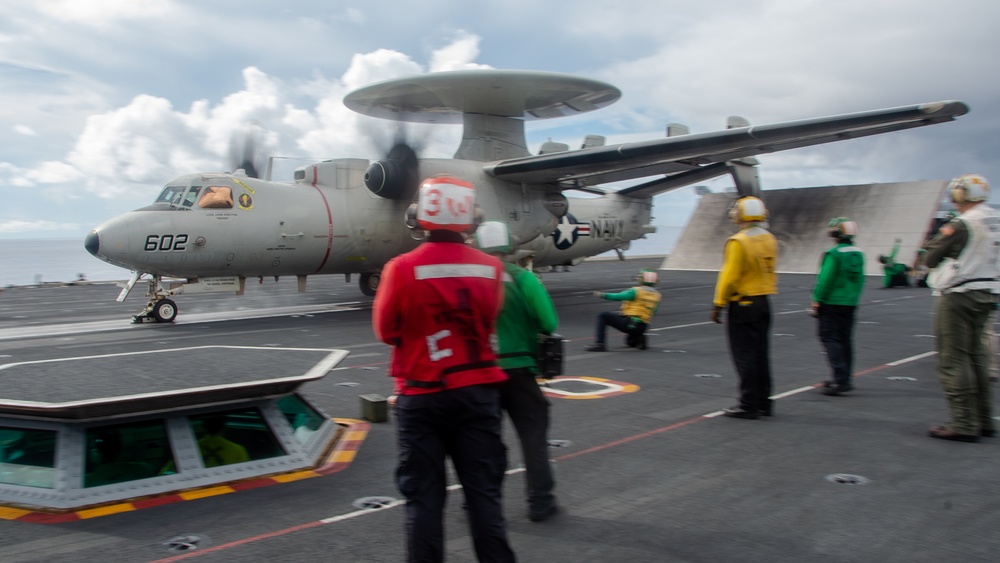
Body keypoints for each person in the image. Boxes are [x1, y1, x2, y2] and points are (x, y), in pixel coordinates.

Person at [373, 176, 516, 562]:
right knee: (484, 497)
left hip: (422, 396)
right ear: (471, 219)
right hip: (478, 394)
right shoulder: (491, 268)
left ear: (420, 217)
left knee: (424, 501)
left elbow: (386, 331)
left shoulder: (400, 268)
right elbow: (490, 318)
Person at [475, 220, 560, 523]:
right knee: (533, 436)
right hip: (520, 371)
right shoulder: (523, 278)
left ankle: (479, 504)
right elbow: (549, 322)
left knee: (483, 442)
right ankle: (540, 501)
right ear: (508, 246)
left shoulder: (470, 280)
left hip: (480, 374)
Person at [922, 173, 999, 443]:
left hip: (959, 293)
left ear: (960, 195)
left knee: (953, 360)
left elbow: (930, 256)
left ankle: (963, 423)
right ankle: (984, 419)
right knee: (977, 356)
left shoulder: (963, 223)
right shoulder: (994, 219)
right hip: (987, 293)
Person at [711, 196, 779, 419]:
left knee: (745, 356)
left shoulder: (738, 241)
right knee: (761, 354)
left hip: (743, 304)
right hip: (763, 302)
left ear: (740, 215)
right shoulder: (769, 238)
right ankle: (764, 402)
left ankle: (748, 404)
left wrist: (718, 304)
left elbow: (729, 276)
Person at [811, 218, 865, 396]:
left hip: (832, 302)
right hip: (849, 303)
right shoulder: (858, 253)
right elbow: (860, 280)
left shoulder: (834, 253)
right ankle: (845, 377)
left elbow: (825, 279)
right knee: (845, 339)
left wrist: (817, 299)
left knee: (829, 337)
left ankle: (839, 378)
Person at [584, 269, 662, 352]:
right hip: (643, 326)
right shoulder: (657, 295)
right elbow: (653, 313)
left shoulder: (636, 291)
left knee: (603, 316)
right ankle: (640, 338)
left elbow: (618, 296)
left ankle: (600, 344)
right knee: (630, 342)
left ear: (643, 279)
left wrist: (602, 295)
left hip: (630, 323)